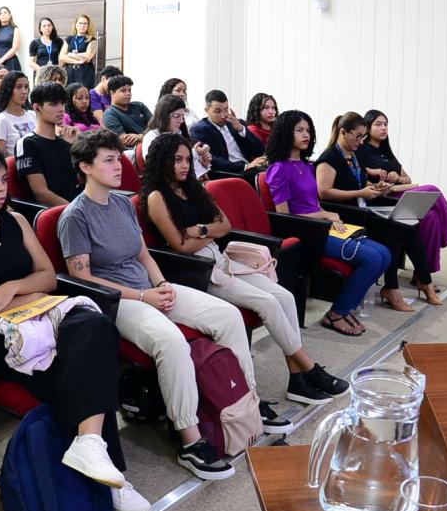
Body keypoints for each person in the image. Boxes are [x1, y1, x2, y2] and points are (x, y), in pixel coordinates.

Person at [0, 145, 145, 511]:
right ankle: (112, 479)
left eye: (2, 180)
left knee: (95, 327)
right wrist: (21, 297)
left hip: (43, 315)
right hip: (1, 339)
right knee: (87, 366)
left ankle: (90, 447)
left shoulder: (14, 220)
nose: (1, 189)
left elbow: (47, 277)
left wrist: (11, 288)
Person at [57, 131, 253, 479]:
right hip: (116, 301)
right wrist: (142, 296)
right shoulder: (75, 216)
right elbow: (84, 278)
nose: (119, 166)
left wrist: (161, 283)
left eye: (119, 158)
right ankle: (190, 438)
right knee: (171, 341)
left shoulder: (121, 202)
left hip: (149, 287)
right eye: (108, 160)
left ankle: (244, 403)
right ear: (86, 167)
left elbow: (143, 253)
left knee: (227, 316)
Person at [143, 132, 349, 408]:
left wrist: (200, 230)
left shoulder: (193, 187)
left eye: (186, 160)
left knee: (284, 297)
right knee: (268, 303)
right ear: (160, 162)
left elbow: (224, 225)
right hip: (198, 270)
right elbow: (181, 246)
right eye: (176, 160)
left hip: (219, 257)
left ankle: (297, 378)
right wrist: (206, 234)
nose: (184, 165)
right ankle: (309, 369)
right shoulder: (157, 197)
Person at [264, 111, 392, 337]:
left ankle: (346, 308)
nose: (306, 135)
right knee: (372, 258)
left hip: (322, 226)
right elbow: (284, 217)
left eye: (308, 130)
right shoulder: (278, 169)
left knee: (384, 253)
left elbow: (313, 204)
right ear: (286, 133)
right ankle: (337, 313)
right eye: (299, 130)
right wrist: (324, 217)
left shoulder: (305, 165)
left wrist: (330, 214)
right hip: (306, 233)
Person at [356, 109, 447, 300]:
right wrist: (375, 173)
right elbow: (360, 176)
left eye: (386, 124)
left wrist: (397, 176)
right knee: (433, 190)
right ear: (367, 127)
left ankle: (422, 274)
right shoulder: (362, 150)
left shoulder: (387, 152)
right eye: (378, 124)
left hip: (399, 192)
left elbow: (407, 177)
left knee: (432, 217)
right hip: (384, 199)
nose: (383, 128)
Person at [317, 112, 435, 312]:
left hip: (361, 209)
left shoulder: (353, 156)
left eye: (363, 136)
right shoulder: (329, 158)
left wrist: (377, 187)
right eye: (358, 136)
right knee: (396, 230)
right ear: (343, 133)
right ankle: (393, 289)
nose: (361, 141)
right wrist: (361, 192)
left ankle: (423, 281)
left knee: (407, 223)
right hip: (345, 215)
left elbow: (361, 182)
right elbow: (324, 192)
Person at [16, 82, 79, 206]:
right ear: (37, 107)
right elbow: (41, 193)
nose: (61, 108)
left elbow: (82, 180)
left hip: (74, 205)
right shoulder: (27, 143)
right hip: (52, 212)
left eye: (62, 103)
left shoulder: (64, 141)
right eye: (54, 104)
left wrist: (76, 147)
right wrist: (74, 211)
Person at [190, 89, 266, 177]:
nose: (223, 115)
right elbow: (212, 159)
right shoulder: (200, 129)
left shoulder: (236, 123)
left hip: (251, 167)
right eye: (217, 111)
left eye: (226, 109)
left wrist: (241, 129)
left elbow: (260, 151)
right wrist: (246, 166)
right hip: (230, 173)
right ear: (207, 110)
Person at [144, 95, 209, 179]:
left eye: (183, 116)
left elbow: (187, 170)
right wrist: (194, 154)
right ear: (164, 115)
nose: (181, 121)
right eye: (177, 116)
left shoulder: (178, 133)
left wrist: (202, 163)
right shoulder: (152, 137)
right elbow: (162, 167)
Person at [0, 71, 34, 157]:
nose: (24, 91)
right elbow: (2, 158)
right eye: (19, 87)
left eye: (26, 87)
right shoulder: (1, 119)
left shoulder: (33, 115)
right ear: (9, 90)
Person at [100, 75, 150, 148]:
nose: (128, 93)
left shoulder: (139, 106)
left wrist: (141, 136)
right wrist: (150, 136)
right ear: (112, 93)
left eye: (129, 90)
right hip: (132, 152)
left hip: (151, 146)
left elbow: (157, 125)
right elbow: (124, 140)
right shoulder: (110, 114)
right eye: (123, 91)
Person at [60, 14, 98, 90]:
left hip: (85, 72)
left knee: (83, 93)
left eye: (85, 23)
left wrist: (70, 54)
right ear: (76, 25)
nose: (82, 25)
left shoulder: (92, 39)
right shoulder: (69, 39)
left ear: (88, 26)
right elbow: (62, 57)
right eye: (80, 23)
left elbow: (88, 56)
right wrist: (79, 61)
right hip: (70, 72)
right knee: (69, 94)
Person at [0, 6, 23, 81]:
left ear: (9, 15)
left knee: (11, 85)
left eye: (5, 13)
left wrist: (1, 60)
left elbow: (15, 47)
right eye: (1, 13)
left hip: (10, 61)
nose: (3, 15)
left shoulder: (15, 29)